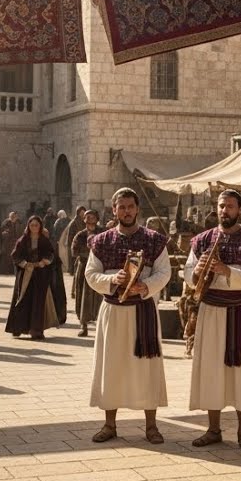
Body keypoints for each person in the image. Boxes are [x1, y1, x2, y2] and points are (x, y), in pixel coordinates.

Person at [85, 188, 172, 445]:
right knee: (111, 367)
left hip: (142, 311)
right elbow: (91, 274)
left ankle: (152, 426)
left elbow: (164, 272)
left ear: (138, 209)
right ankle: (109, 424)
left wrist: (144, 287)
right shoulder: (101, 241)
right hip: (113, 312)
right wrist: (113, 279)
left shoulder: (155, 240)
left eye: (130, 207)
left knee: (147, 367)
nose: (126, 211)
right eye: (121, 207)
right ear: (114, 210)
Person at [185, 189, 241, 451]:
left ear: (240, 209)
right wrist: (195, 272)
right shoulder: (201, 240)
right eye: (221, 206)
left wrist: (225, 270)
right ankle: (213, 429)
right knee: (211, 370)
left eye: (230, 206)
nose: (225, 210)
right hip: (211, 311)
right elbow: (187, 274)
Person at [5, 215, 58, 340]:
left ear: (40, 227)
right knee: (23, 300)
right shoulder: (23, 240)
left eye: (36, 225)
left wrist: (43, 262)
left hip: (40, 276)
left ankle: (36, 330)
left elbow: (51, 254)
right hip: (25, 276)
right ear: (28, 226)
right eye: (32, 225)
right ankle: (17, 327)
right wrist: (25, 264)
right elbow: (15, 256)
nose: (34, 227)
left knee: (38, 303)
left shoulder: (44, 240)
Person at [70, 208, 102, 337]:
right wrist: (88, 253)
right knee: (83, 296)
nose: (89, 219)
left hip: (99, 268)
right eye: (87, 217)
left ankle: (101, 325)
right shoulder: (80, 235)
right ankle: (83, 325)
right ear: (84, 220)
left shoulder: (103, 233)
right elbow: (74, 251)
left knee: (100, 295)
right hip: (84, 267)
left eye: (92, 217)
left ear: (96, 218)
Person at [0, 211, 22, 277]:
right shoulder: (6, 223)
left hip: (15, 243)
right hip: (7, 243)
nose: (14, 218)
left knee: (14, 256)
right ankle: (5, 271)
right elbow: (3, 232)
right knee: (6, 257)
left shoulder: (18, 223)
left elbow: (20, 231)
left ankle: (12, 271)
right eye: (12, 216)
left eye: (15, 216)